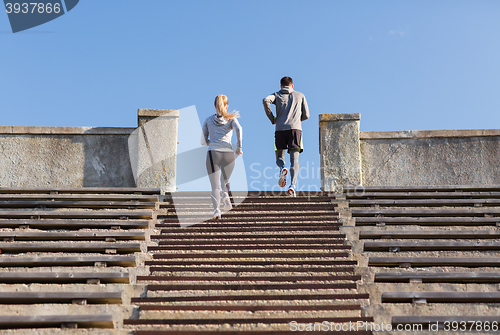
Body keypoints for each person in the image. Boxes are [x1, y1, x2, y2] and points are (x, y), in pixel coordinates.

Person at [263, 76, 309, 197]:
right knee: (295, 159)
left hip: (280, 129)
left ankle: (282, 167)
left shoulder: (277, 95)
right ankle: (292, 186)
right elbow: (307, 115)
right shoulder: (300, 95)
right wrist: (297, 120)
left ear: (281, 86)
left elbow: (265, 100)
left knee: (279, 156)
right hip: (295, 130)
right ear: (292, 85)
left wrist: (272, 118)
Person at [202, 94, 243, 219]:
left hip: (213, 154)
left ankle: (217, 211)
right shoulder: (231, 119)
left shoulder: (208, 120)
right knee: (225, 180)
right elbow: (239, 129)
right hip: (229, 155)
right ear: (227, 106)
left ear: (215, 106)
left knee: (215, 186)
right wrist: (239, 148)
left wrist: (211, 142)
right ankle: (225, 194)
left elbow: (203, 141)